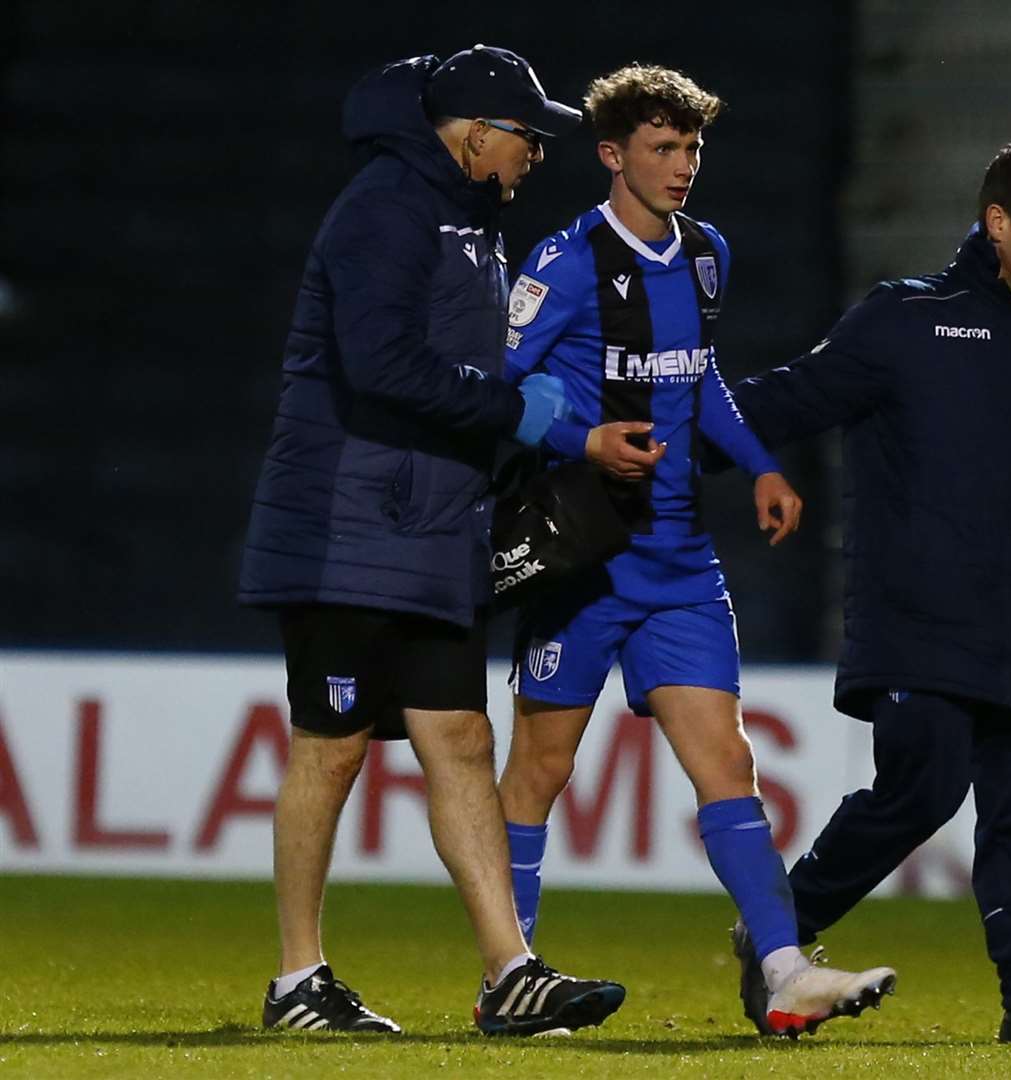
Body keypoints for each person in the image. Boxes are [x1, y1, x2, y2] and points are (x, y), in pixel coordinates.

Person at [238, 45, 660, 1037]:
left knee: (463, 740)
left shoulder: (467, 220)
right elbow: (381, 365)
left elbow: (445, 374)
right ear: (473, 134)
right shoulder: (384, 207)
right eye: (527, 134)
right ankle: (297, 981)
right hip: (347, 520)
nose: (538, 152)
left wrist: (515, 446)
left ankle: (511, 974)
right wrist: (521, 414)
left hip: (429, 526)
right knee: (331, 748)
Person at [493, 63, 897, 1038]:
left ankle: (785, 968)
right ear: (612, 153)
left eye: (693, 148)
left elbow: (699, 376)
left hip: (678, 562)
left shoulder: (706, 254)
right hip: (584, 559)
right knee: (540, 770)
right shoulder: (562, 262)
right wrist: (577, 440)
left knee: (727, 759)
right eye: (664, 148)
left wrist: (761, 463)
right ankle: (508, 974)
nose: (683, 167)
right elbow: (496, 389)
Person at [721, 142, 1011, 1046]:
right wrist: (670, 425)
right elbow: (791, 397)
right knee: (924, 788)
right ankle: (778, 932)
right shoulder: (908, 318)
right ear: (997, 223)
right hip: (919, 615)